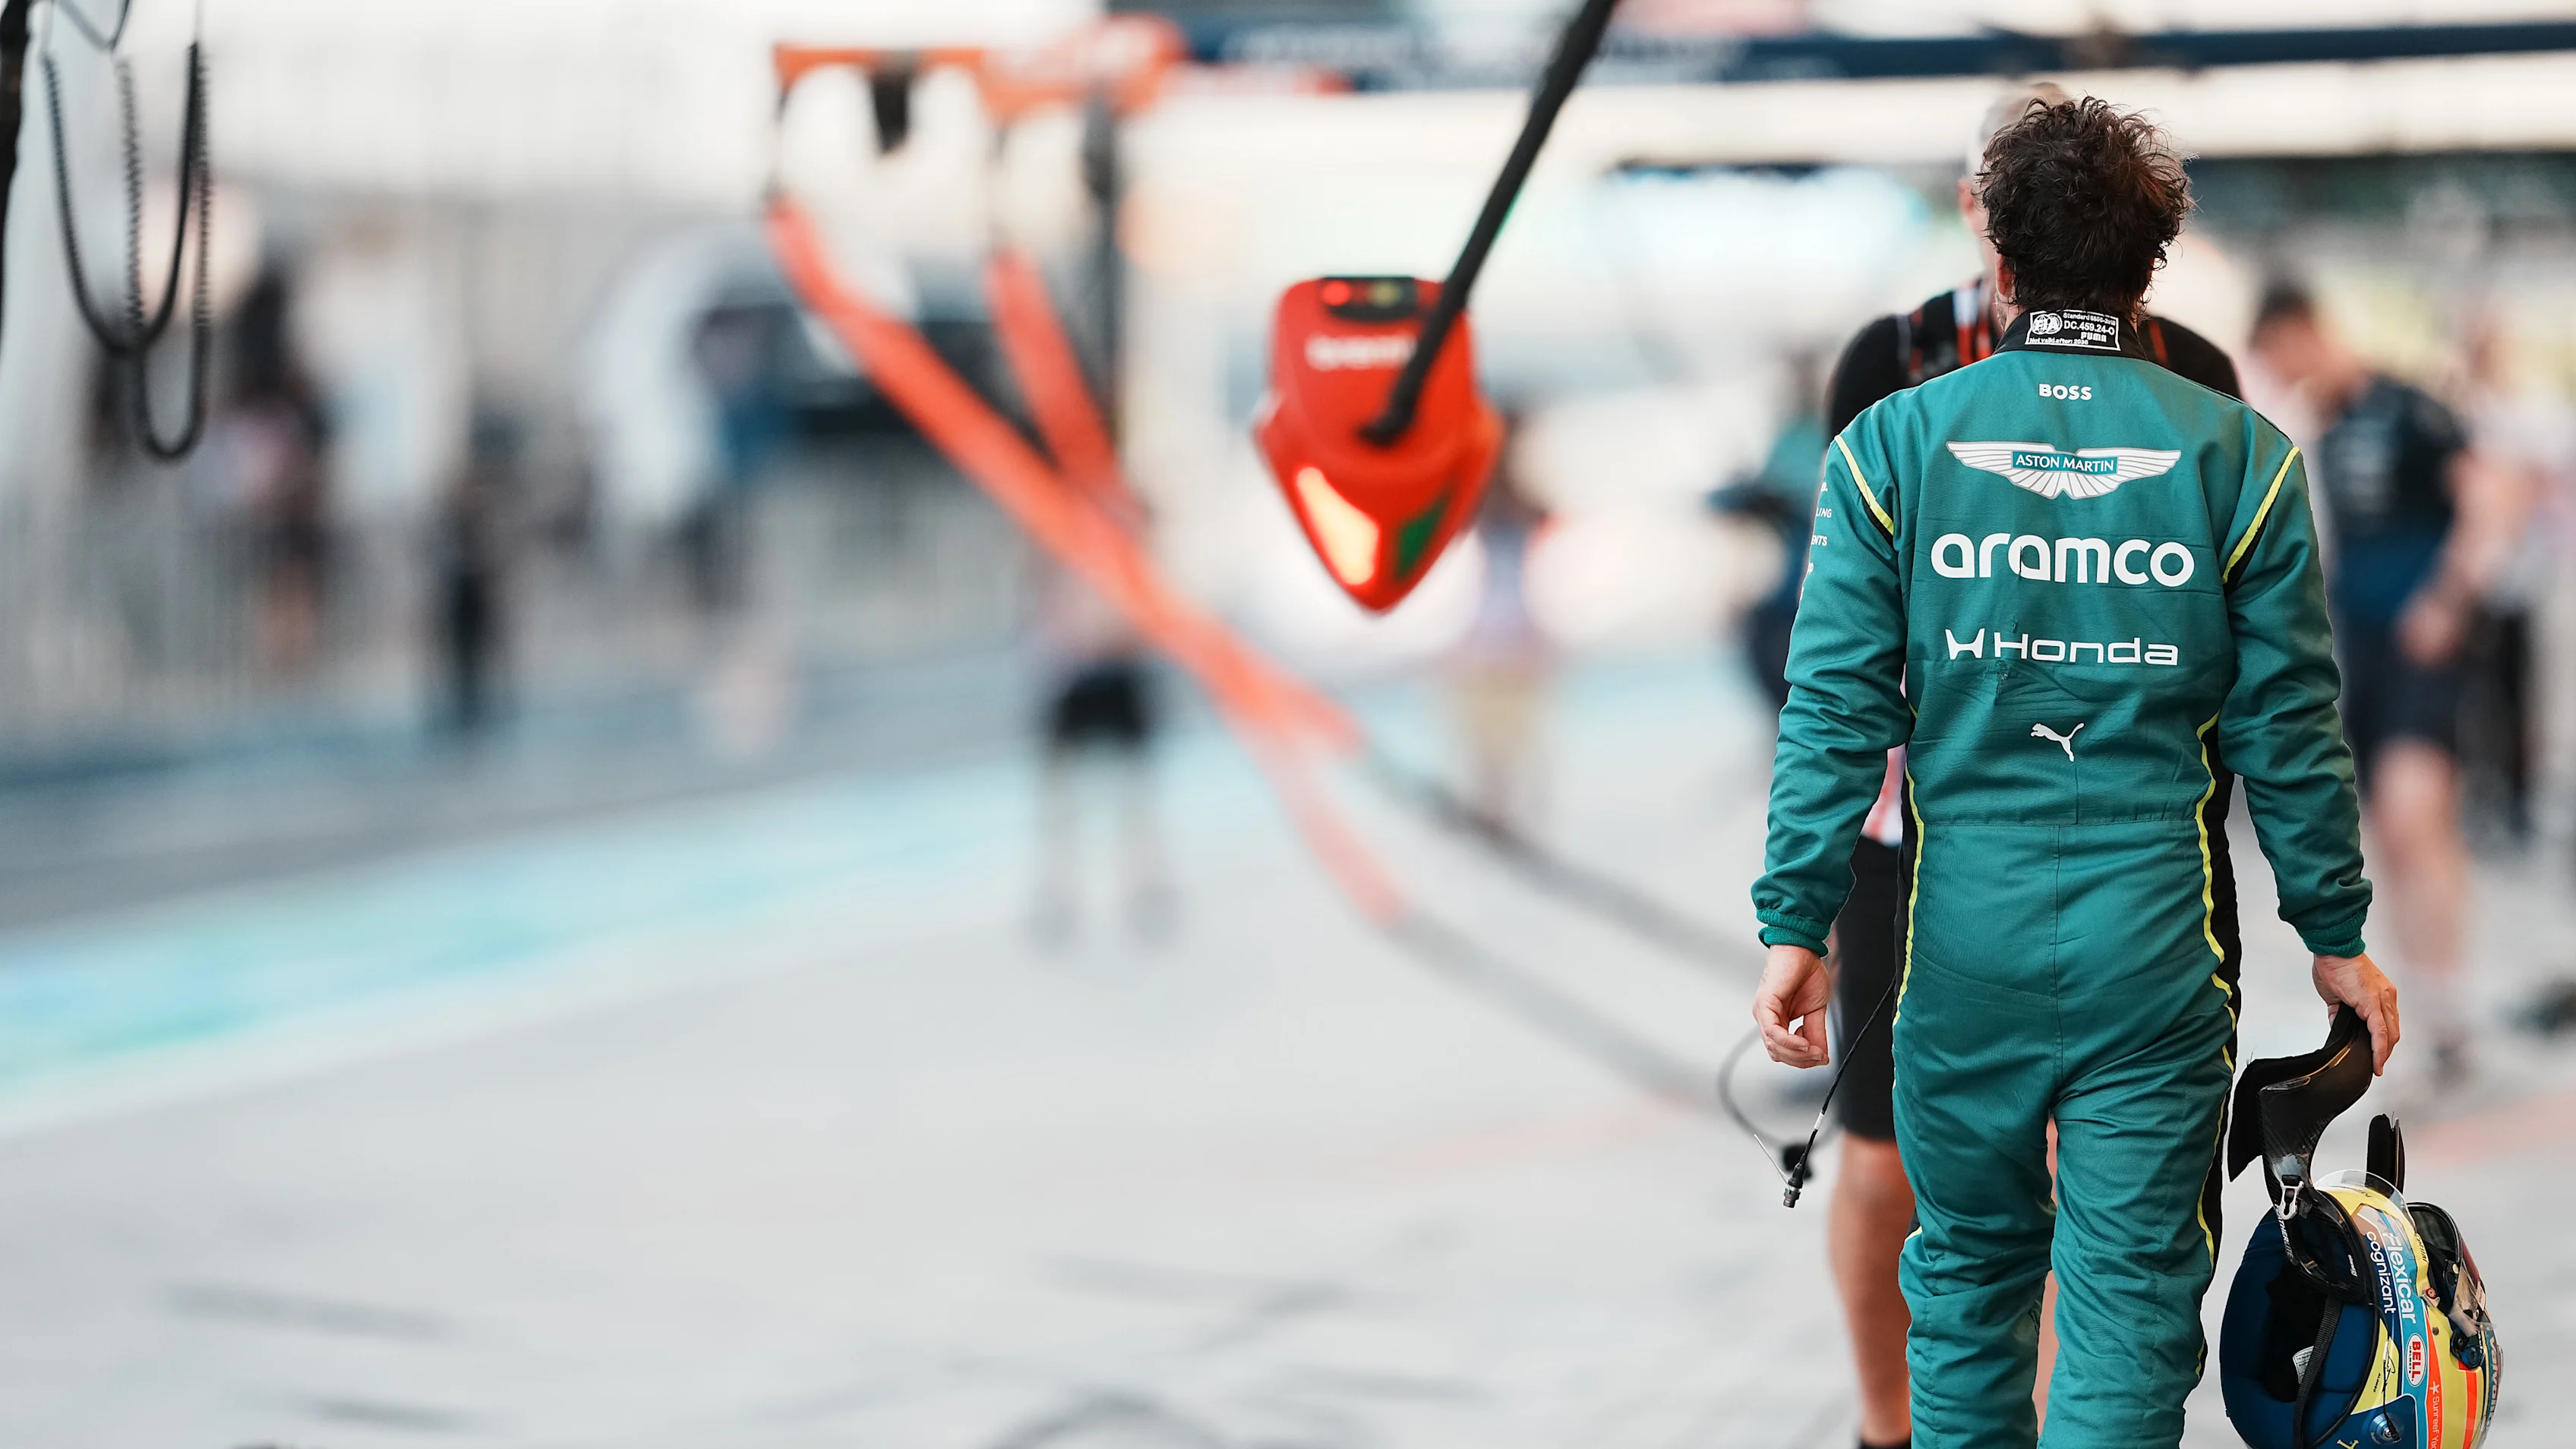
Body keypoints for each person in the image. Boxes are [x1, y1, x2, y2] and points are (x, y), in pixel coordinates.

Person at [1750, 99, 2398, 1448]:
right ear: (2152, 256)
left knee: (1970, 1276)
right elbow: (2288, 726)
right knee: (2126, 1299)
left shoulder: (1890, 447)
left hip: (1955, 945)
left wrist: (1793, 921)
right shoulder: (2242, 459)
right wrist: (2335, 938)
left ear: (1992, 238)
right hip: (2152, 951)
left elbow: (1830, 709)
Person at [1811, 81, 2244, 1449]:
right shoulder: (1884, 364)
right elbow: (1839, 643)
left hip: (2133, 841)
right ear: (1976, 216)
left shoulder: (2199, 377)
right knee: (1886, 1171)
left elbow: (2235, 648)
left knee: (2094, 1176)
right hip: (1926, 839)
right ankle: (1889, 1425)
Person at [2249, 286, 2521, 1085]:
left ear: (2300, 334)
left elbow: (2492, 497)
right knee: (2386, 841)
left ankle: (2447, 1008)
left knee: (2415, 814)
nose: (2280, 377)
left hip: (2422, 652)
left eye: (2277, 358)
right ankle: (2426, 1010)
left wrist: (2447, 596)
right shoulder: (2319, 432)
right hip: (2357, 655)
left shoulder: (2407, 409)